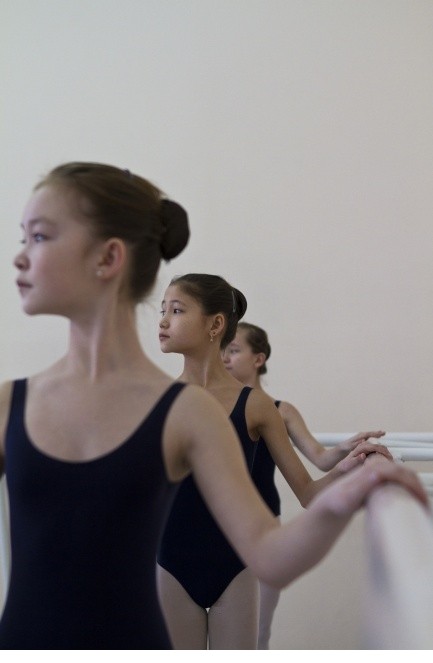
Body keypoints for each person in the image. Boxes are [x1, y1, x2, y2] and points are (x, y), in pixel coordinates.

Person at [0, 164, 427, 650]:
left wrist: (352, 491)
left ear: (109, 257)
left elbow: (270, 553)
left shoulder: (187, 413)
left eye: (39, 237)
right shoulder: (9, 404)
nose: (19, 257)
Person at [156, 274, 400, 650]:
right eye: (163, 310)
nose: (162, 321)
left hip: (238, 564)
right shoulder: (157, 400)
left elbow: (308, 493)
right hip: (170, 564)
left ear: (215, 324)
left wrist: (350, 467)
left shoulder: (256, 405)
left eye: (176, 310)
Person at [223, 321, 386, 649]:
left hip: (263, 525)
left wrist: (346, 448)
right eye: (223, 350)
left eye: (234, 350)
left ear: (258, 359)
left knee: (257, 632)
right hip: (218, 525)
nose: (225, 357)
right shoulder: (207, 407)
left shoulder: (280, 411)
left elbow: (319, 458)